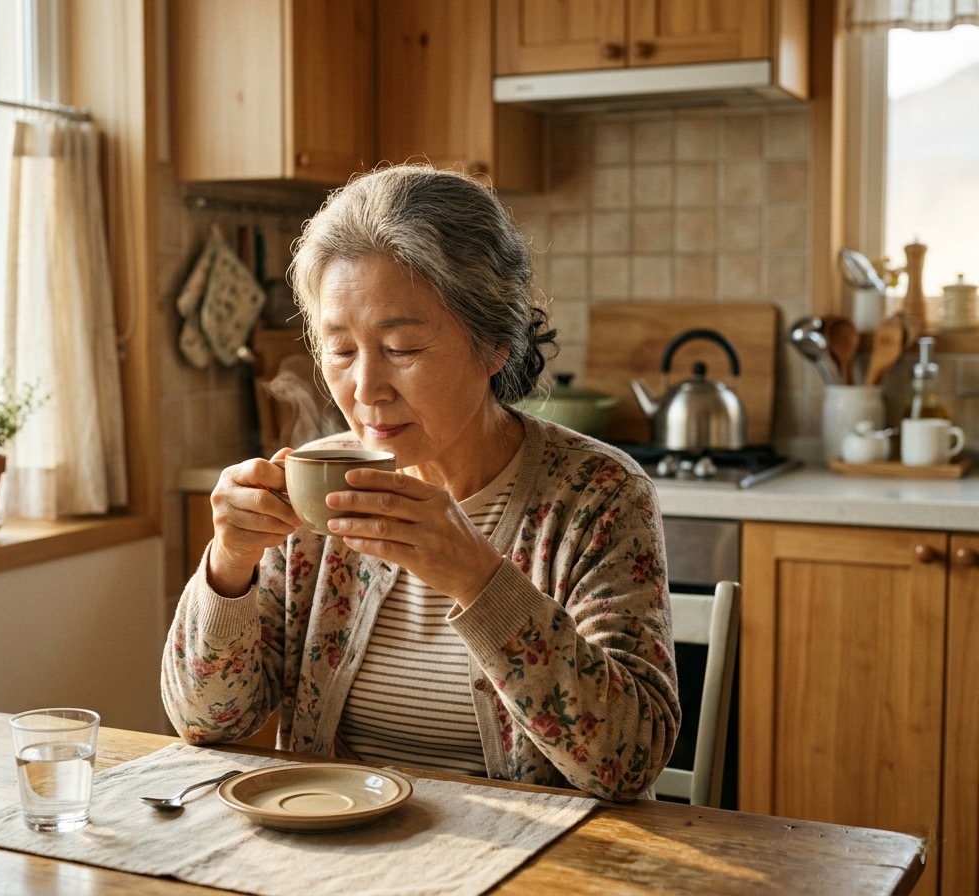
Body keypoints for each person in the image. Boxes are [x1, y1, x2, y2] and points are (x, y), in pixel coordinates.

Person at [161, 164, 678, 801]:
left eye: (402, 348)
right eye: (341, 350)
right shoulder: (314, 485)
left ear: (495, 345)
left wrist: (477, 580)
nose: (367, 389)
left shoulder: (598, 495)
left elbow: (630, 761)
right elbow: (206, 722)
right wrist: (229, 567)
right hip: (341, 854)